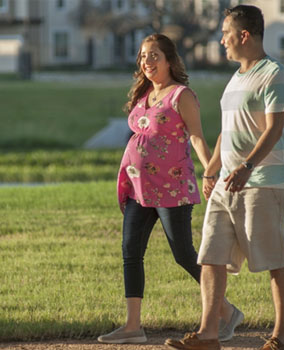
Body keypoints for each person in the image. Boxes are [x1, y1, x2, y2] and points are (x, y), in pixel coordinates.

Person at [165, 5, 284, 350]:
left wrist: (247, 167)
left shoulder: (275, 74)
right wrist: (212, 171)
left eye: (225, 33)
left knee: (274, 259)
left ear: (244, 35)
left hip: (264, 182)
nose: (221, 40)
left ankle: (282, 337)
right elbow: (229, 131)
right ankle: (209, 334)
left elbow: (274, 128)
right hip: (228, 183)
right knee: (210, 256)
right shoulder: (237, 76)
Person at [98, 33, 243, 345]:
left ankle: (226, 311)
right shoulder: (144, 96)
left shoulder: (181, 96)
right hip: (139, 186)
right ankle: (133, 326)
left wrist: (210, 169)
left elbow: (196, 136)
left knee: (183, 253)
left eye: (153, 56)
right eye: (142, 56)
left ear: (169, 60)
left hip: (172, 187)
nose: (147, 62)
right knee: (130, 251)